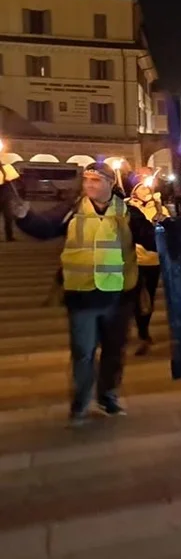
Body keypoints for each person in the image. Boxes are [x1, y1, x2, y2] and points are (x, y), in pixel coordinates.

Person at [1, 162, 156, 425]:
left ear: (110, 183)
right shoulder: (72, 210)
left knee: (113, 352)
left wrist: (166, 228)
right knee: (83, 352)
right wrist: (25, 216)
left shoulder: (128, 212)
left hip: (119, 297)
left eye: (96, 180)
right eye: (87, 180)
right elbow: (45, 228)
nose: (90, 185)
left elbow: (151, 239)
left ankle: (107, 397)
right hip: (82, 295)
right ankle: (81, 402)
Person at [126, 174, 170, 356]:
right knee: (135, 297)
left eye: (147, 187)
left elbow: (167, 231)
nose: (145, 190)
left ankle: (143, 331)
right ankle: (138, 329)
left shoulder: (160, 208)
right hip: (131, 258)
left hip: (152, 260)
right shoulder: (127, 208)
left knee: (147, 298)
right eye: (140, 187)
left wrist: (161, 224)